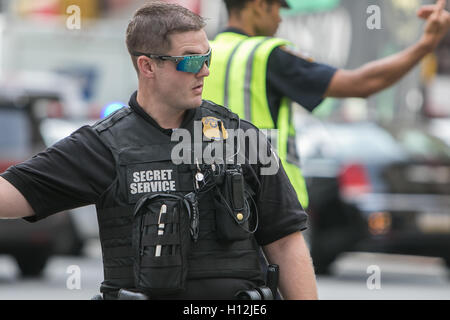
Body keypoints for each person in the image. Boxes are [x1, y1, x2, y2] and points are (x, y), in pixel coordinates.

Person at [0, 2, 317, 300]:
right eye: (192, 60)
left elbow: (286, 243)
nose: (204, 71)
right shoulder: (102, 146)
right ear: (147, 66)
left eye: (208, 59)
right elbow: (10, 195)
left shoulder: (240, 138)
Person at [202, 0, 450, 209]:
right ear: (258, 6)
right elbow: (362, 84)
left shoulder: (205, 54)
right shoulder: (268, 55)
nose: (280, 19)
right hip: (267, 208)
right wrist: (424, 46)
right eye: (277, 8)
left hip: (209, 203)